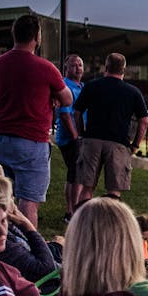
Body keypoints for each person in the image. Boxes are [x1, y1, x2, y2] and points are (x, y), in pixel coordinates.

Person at [0, 13, 72, 225]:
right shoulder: (45, 67)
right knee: (28, 202)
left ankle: (1, 243)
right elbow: (67, 98)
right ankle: (26, 249)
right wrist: (51, 95)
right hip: (30, 142)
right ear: (37, 37)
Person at [71, 52, 147, 204]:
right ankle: (110, 225)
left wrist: (81, 134)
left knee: (87, 188)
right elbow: (143, 121)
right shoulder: (133, 92)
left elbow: (77, 112)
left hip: (92, 140)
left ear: (106, 67)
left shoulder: (92, 86)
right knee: (114, 191)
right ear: (123, 70)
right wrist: (135, 145)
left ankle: (81, 223)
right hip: (118, 144)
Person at [0, 171, 62, 286]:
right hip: (53, 285)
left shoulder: (3, 227)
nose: (13, 199)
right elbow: (46, 269)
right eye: (10, 197)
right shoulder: (1, 243)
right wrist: (26, 224)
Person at [54, 54, 85, 221]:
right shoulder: (65, 86)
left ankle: (72, 210)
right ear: (66, 68)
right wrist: (76, 137)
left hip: (79, 136)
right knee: (75, 176)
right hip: (70, 138)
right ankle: (72, 212)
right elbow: (65, 115)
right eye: (74, 65)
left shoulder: (82, 86)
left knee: (75, 175)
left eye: (80, 64)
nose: (78, 68)